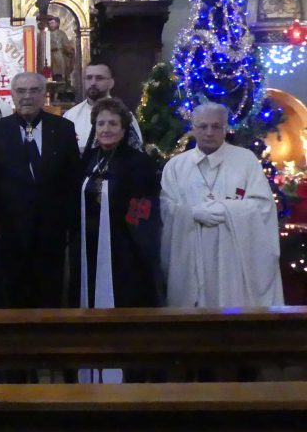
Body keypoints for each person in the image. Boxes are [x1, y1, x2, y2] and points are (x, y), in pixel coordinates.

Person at [161, 103, 283, 308]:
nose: (209, 132)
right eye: (202, 126)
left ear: (226, 128)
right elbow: (165, 208)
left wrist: (225, 209)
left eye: (216, 126)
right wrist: (192, 213)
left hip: (233, 260)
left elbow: (262, 206)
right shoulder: (175, 166)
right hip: (191, 255)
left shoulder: (246, 161)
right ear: (193, 128)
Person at [0, 72, 80, 308]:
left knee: (50, 298)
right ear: (12, 95)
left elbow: (72, 180)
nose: (27, 97)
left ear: (43, 94)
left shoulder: (63, 129)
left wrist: (66, 224)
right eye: (21, 91)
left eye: (34, 91)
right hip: (10, 234)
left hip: (51, 234)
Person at [74, 98, 162, 317]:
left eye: (113, 124)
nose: (106, 129)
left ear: (124, 129)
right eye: (101, 124)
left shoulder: (139, 163)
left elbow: (144, 206)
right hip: (89, 243)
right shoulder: (89, 159)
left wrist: (131, 239)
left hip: (124, 247)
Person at [63, 61, 142, 152]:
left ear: (111, 83)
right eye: (89, 78)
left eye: (99, 78)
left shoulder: (124, 115)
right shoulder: (70, 115)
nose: (93, 82)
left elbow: (136, 152)